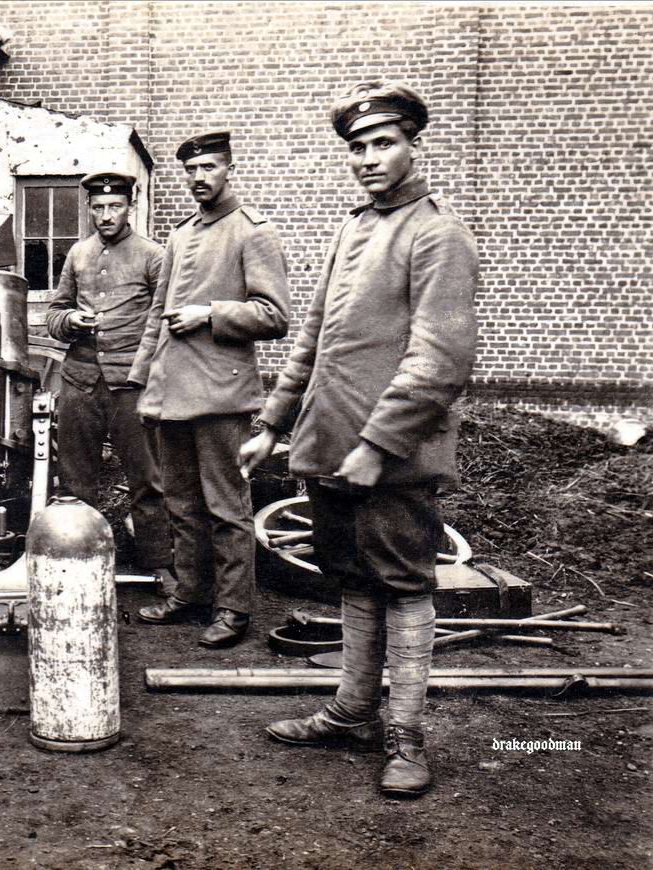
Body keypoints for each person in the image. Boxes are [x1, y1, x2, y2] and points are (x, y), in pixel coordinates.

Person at [240, 81, 478, 797]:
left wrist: (377, 446)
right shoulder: (353, 229)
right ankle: (352, 711)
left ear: (413, 147)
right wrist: (273, 423)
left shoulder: (438, 234)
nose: (369, 158)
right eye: (357, 147)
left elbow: (440, 360)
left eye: (383, 143)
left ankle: (406, 732)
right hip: (330, 444)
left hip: (393, 456)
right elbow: (314, 336)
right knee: (352, 576)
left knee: (403, 584)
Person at [131, 131, 290, 648]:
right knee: (181, 503)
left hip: (222, 395)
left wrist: (210, 313)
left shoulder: (253, 232)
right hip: (172, 393)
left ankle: (234, 609)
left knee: (226, 507)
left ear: (229, 170)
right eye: (192, 169)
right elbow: (157, 313)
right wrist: (143, 381)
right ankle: (191, 593)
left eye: (209, 167)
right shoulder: (180, 235)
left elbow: (274, 316)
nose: (199, 177)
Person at [45, 171, 173, 583]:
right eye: (98, 207)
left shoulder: (152, 255)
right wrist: (70, 320)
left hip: (131, 384)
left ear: (129, 206)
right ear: (89, 208)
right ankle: (79, 562)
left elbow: (164, 322)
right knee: (74, 479)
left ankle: (158, 566)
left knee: (146, 478)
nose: (106, 215)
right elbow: (54, 313)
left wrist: (149, 377)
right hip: (80, 381)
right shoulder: (78, 254)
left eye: (114, 206)